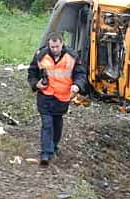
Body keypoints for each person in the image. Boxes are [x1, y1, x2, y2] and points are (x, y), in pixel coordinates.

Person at [27, 32, 87, 166]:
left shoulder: (72, 57)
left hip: (62, 97)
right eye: (52, 47)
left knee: (57, 123)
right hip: (45, 96)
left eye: (57, 47)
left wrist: (77, 85)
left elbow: (80, 74)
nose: (54, 49)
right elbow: (32, 72)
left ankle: (53, 146)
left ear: (62, 44)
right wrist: (35, 84)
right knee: (47, 124)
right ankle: (45, 153)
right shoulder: (40, 55)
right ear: (49, 44)